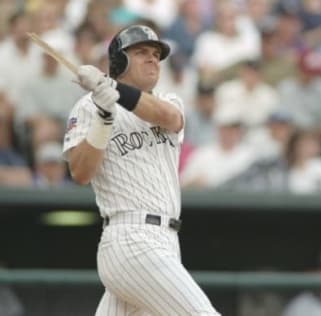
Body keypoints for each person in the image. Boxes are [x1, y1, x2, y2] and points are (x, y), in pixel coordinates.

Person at [63, 25, 220, 316]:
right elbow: (81, 173)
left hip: (166, 241)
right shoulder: (88, 107)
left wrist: (113, 89)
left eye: (156, 54)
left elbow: (167, 117)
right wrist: (104, 117)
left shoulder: (168, 100)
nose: (152, 59)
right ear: (119, 61)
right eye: (141, 52)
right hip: (130, 237)